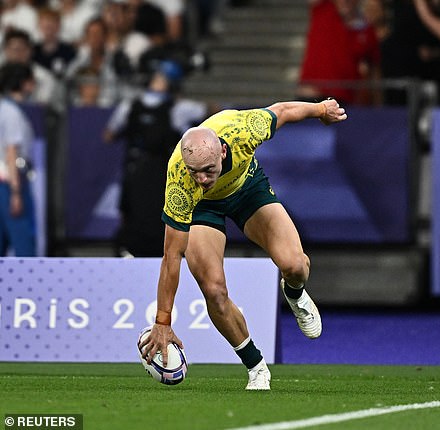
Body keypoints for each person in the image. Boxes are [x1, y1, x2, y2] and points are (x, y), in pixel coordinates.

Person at [139, 98, 347, 390]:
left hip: (247, 190)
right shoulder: (181, 182)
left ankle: (294, 292)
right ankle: (256, 367)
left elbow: (283, 111)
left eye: (209, 170)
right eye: (194, 171)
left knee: (295, 265)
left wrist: (321, 110)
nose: (201, 178)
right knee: (213, 290)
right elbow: (171, 256)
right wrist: (162, 321)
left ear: (223, 152)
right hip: (203, 209)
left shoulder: (243, 131)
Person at [103, 60, 208, 257]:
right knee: (149, 214)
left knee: (148, 214)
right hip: (158, 172)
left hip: (143, 169)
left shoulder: (131, 106)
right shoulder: (179, 108)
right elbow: (210, 110)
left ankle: (136, 252)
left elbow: (109, 134)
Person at [297, 0, 382, 105]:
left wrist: (378, 104)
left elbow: (374, 70)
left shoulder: (367, 30)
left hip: (344, 101)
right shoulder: (323, 9)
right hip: (311, 95)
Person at [0, 62, 36, 256]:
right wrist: (16, 192)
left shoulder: (4, 109)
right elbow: (11, 151)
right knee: (24, 245)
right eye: (32, 82)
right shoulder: (12, 113)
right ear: (24, 83)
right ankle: (30, 286)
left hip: (4, 180)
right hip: (10, 182)